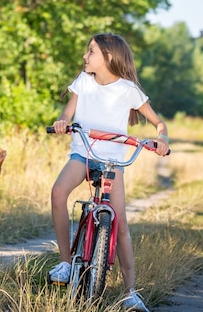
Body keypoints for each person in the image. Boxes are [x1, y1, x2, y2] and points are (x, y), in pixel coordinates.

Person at [48, 33, 169, 312]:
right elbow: (67, 113)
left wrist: (163, 139)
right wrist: (62, 122)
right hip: (84, 153)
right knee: (58, 192)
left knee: (121, 223)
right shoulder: (83, 82)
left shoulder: (128, 89)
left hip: (113, 163)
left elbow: (158, 122)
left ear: (108, 57)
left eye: (91, 51)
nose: (85, 56)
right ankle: (66, 262)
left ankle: (130, 292)